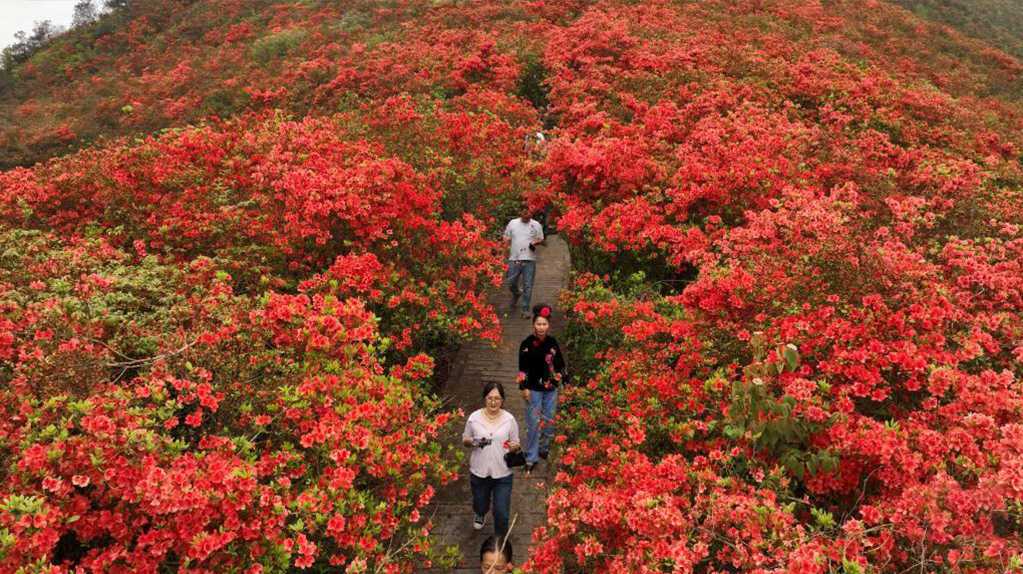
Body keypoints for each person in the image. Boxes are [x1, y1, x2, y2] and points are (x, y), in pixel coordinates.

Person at [463, 382, 520, 539]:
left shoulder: (509, 420)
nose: (493, 402)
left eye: (497, 398)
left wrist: (514, 446)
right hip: (479, 471)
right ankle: (480, 513)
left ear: (502, 400)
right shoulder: (474, 418)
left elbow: (515, 442)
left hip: (502, 473)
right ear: (484, 398)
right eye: (490, 398)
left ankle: (499, 541)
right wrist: (473, 442)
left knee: (501, 511)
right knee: (480, 503)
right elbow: (465, 439)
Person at [517, 304, 566, 473]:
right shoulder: (526, 344)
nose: (541, 327)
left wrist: (563, 379)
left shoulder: (552, 343)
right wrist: (523, 387)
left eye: (544, 324)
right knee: (533, 422)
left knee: (549, 419)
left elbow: (560, 363)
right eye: (538, 324)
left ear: (548, 325)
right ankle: (531, 455)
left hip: (551, 388)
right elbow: (522, 368)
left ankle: (544, 447)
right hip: (533, 388)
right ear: (533, 325)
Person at [503, 205, 544, 319]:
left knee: (528, 285)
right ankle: (516, 293)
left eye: (529, 213)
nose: (527, 215)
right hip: (514, 258)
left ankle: (525, 309)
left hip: (529, 259)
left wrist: (536, 243)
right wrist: (504, 250)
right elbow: (506, 237)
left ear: (531, 213)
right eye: (524, 212)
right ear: (520, 212)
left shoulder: (536, 225)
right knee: (511, 282)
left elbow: (541, 239)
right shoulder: (512, 223)